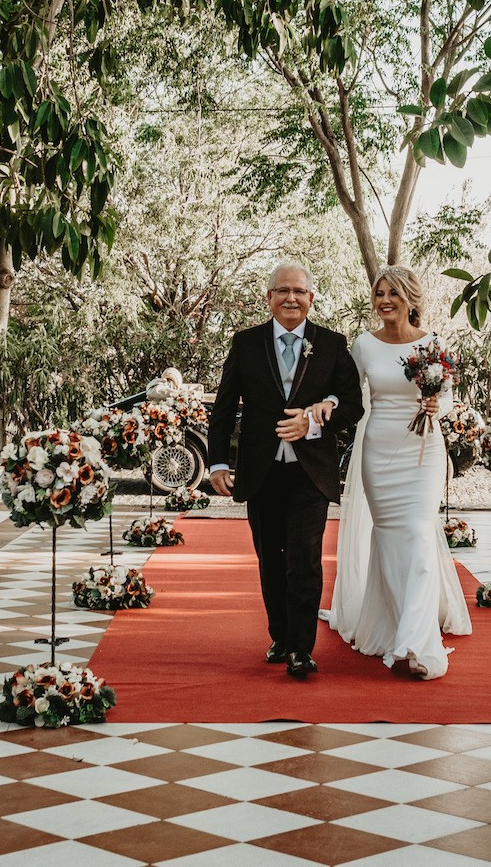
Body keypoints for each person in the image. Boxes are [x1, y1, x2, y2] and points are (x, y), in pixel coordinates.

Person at [208, 262, 363, 679]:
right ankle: (280, 634)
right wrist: (218, 462)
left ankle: (300, 648)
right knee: (270, 558)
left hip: (310, 473)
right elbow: (223, 409)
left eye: (299, 291)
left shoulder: (331, 344)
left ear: (311, 298)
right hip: (261, 471)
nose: (291, 298)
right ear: (269, 297)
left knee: (305, 559)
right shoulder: (245, 343)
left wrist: (315, 420)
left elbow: (353, 405)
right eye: (282, 291)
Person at [325, 264, 471, 679]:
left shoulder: (433, 344)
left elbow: (447, 399)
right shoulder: (364, 346)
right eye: (379, 293)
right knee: (389, 540)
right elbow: (348, 397)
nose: (384, 300)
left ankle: (418, 644)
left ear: (410, 298)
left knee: (421, 537)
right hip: (380, 450)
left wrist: (434, 406)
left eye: (393, 292)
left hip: (423, 451)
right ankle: (391, 626)